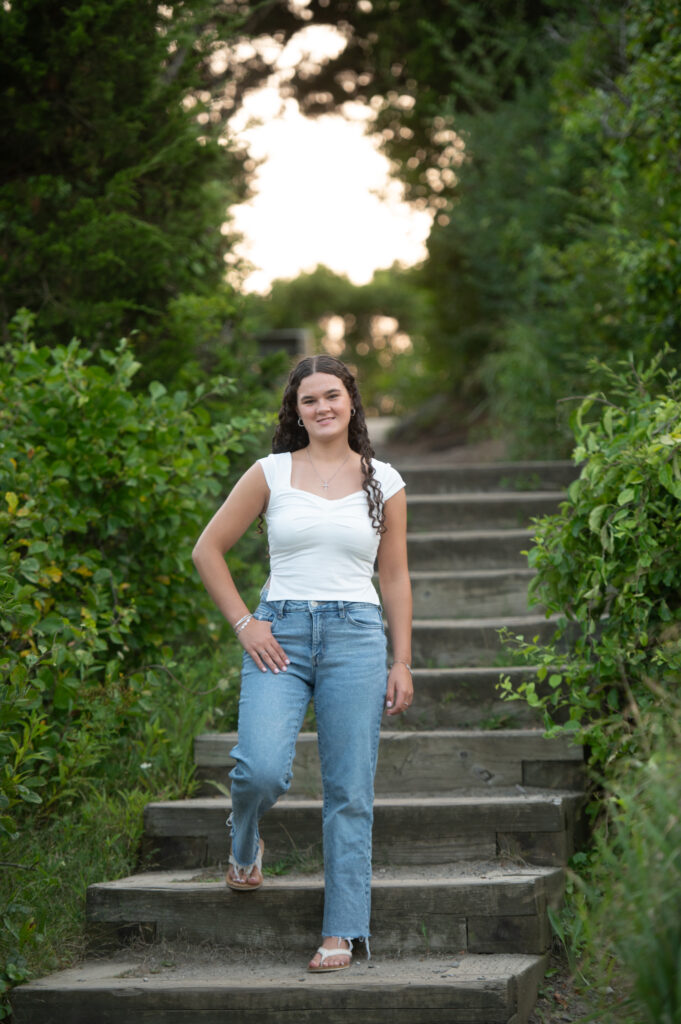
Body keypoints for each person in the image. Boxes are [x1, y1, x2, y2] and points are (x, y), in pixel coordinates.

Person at [191, 354, 413, 973]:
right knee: (260, 769)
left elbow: (394, 575)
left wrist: (403, 659)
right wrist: (245, 622)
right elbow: (207, 549)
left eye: (332, 396)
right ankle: (244, 843)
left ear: (351, 402)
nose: (322, 407)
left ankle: (342, 930)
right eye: (309, 399)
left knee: (349, 790)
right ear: (295, 409)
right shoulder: (270, 473)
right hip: (279, 632)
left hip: (356, 637)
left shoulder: (384, 480)